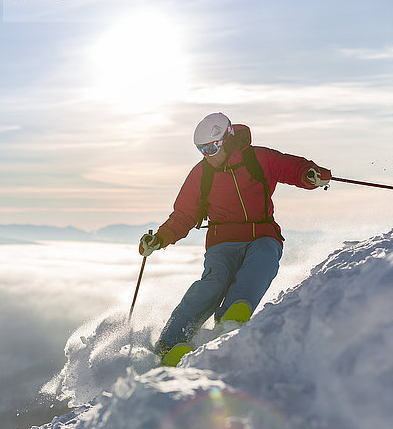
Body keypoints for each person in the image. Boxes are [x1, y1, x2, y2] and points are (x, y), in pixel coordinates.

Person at [139, 112, 331, 365]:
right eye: (202, 150)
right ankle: (170, 344)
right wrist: (160, 238)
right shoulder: (201, 174)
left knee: (263, 258)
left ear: (227, 139)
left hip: (263, 235)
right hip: (222, 242)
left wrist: (310, 173)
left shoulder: (257, 158)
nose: (208, 154)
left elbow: (290, 167)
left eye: (211, 147)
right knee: (212, 282)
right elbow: (184, 214)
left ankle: (230, 319)